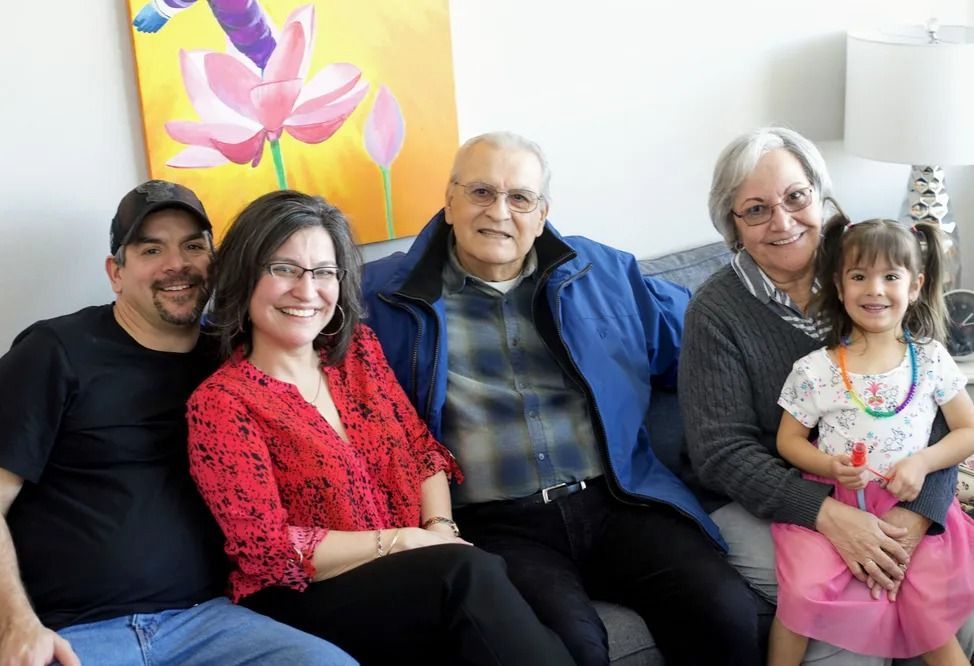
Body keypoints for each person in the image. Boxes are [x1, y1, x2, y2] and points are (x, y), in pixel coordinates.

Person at [360, 131, 761, 666]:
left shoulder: (606, 275)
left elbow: (707, 349)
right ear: (450, 200)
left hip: (619, 500)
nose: (499, 212)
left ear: (542, 211)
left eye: (519, 198)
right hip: (496, 525)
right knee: (569, 649)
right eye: (480, 192)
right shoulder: (381, 297)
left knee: (725, 612)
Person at [185, 190, 572, 666]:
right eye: (283, 269)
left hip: (413, 572)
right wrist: (404, 542)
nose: (307, 291)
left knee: (505, 595)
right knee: (467, 573)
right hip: (303, 597)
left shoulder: (357, 354)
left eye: (324, 272)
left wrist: (439, 527)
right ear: (244, 278)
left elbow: (420, 450)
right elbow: (265, 548)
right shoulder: (222, 404)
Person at [0, 180, 353, 666]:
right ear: (116, 273)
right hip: (75, 632)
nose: (177, 264)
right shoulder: (56, 351)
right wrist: (17, 624)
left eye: (193, 245)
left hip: (213, 622)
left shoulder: (236, 362)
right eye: (151, 249)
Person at [681, 126, 974, 665]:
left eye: (796, 197)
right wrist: (826, 514)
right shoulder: (715, 313)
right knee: (849, 627)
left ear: (820, 195)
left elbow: (930, 409)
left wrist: (920, 513)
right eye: (756, 209)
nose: (783, 221)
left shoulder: (873, 275)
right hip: (771, 499)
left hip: (891, 491)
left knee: (953, 609)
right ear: (732, 226)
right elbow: (722, 453)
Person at [769, 217, 974, 664]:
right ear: (840, 287)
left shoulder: (931, 359)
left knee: (925, 603)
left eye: (890, 277)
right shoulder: (815, 369)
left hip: (909, 503)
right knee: (801, 592)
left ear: (915, 285)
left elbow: (968, 431)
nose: (874, 289)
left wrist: (921, 463)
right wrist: (829, 467)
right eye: (859, 276)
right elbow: (789, 441)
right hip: (834, 506)